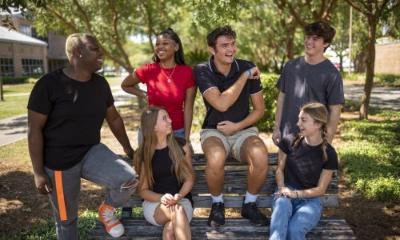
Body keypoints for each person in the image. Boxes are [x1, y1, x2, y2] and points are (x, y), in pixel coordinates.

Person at [27, 33, 137, 239]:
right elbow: (34, 130)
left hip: (91, 152)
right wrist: (38, 172)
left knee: (128, 178)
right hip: (59, 163)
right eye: (95, 49)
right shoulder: (48, 84)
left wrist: (128, 149)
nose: (101, 52)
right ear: (78, 53)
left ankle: (107, 210)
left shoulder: (100, 84)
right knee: (66, 220)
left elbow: (113, 119)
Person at [193, 26, 269, 227]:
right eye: (224, 45)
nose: (231, 49)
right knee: (216, 157)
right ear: (212, 49)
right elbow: (221, 103)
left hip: (243, 131)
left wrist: (238, 126)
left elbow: (259, 110)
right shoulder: (202, 70)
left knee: (260, 154)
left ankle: (249, 205)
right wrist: (244, 76)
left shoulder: (246, 65)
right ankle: (217, 205)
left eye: (233, 44)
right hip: (213, 131)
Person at [269, 102, 339, 239]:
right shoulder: (289, 141)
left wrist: (294, 194)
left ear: (318, 124)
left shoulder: (329, 153)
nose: (298, 124)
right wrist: (282, 188)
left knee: (294, 231)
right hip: (286, 193)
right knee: (281, 205)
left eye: (303, 120)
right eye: (299, 119)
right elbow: (280, 170)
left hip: (311, 201)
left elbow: (320, 189)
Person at [272, 21, 344, 145]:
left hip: (313, 142)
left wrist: (326, 142)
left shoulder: (332, 74)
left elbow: (335, 111)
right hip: (287, 136)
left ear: (326, 43)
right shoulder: (290, 66)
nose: (309, 41)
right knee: (282, 165)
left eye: (315, 38)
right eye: (308, 37)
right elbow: (282, 98)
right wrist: (277, 127)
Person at [121, 28, 196, 143]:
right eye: (157, 44)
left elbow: (188, 108)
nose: (160, 47)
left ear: (176, 47)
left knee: (179, 161)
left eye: (165, 43)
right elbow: (125, 85)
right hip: (151, 130)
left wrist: (186, 138)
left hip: (176, 131)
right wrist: (144, 95)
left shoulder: (188, 72)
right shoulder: (147, 70)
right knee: (148, 161)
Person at [134, 107, 194, 240]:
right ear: (153, 126)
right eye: (164, 118)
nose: (170, 121)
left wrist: (179, 196)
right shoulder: (144, 154)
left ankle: (169, 228)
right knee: (176, 211)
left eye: (168, 117)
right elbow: (143, 191)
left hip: (182, 201)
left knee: (170, 228)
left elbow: (189, 179)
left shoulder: (182, 147)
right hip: (155, 204)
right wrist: (161, 198)